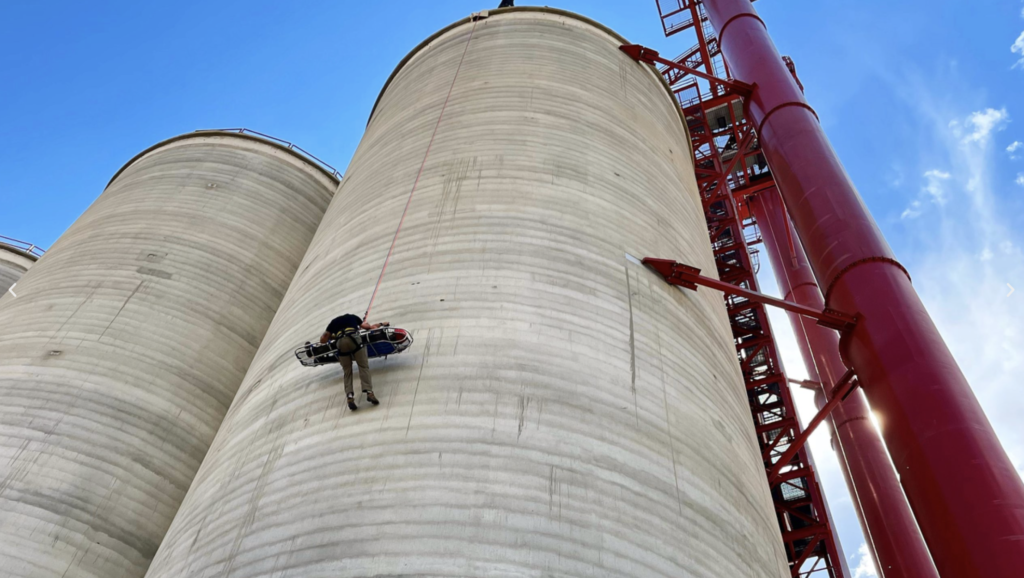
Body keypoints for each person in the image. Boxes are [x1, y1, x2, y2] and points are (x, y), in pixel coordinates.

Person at [321, 313, 388, 410]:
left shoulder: (333, 323)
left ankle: (350, 397)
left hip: (340, 343)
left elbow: (323, 339)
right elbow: (369, 327)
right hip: (354, 339)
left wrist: (334, 336)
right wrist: (382, 323)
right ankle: (369, 393)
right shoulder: (353, 317)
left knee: (347, 372)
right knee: (363, 366)